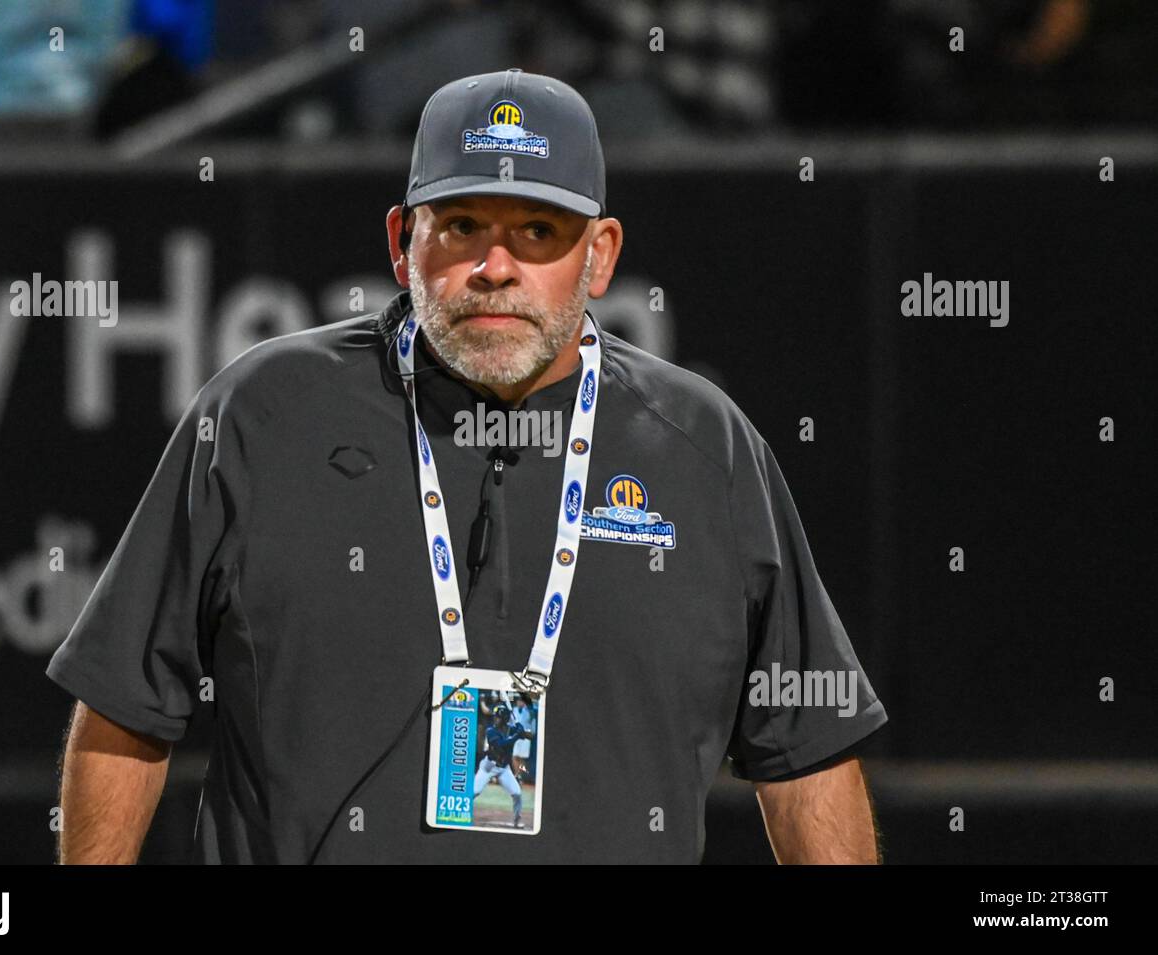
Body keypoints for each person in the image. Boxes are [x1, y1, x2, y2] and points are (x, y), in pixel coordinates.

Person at [48, 67, 888, 864]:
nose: (496, 267)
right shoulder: (261, 417)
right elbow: (126, 706)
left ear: (599, 255)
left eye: (537, 231)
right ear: (400, 240)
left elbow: (805, 754)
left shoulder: (707, 449)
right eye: (461, 227)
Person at [473, 703, 533, 829]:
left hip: (504, 769)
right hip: (488, 768)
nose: (495, 719)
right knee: (475, 792)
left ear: (505, 719)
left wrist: (522, 730)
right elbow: (501, 745)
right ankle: (461, 810)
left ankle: (517, 820)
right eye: (495, 717)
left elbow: (531, 736)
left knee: (517, 793)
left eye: (498, 717)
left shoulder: (511, 729)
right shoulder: (490, 731)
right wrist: (517, 736)